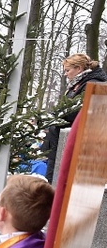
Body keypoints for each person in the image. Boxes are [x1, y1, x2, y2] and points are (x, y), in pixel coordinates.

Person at [41, 53, 107, 183]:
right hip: (60, 139)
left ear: (79, 68)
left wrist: (57, 116)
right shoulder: (78, 84)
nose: (65, 74)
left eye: (67, 70)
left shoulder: (92, 84)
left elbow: (78, 111)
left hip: (75, 139)